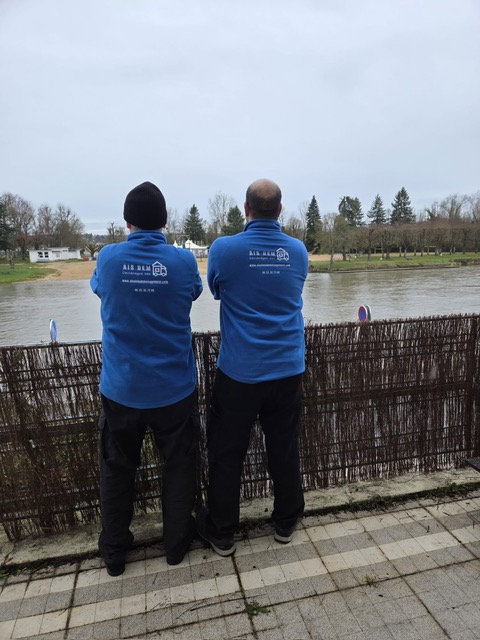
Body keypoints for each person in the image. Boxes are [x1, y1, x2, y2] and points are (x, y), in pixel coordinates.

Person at [91, 181, 203, 576]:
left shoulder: (108, 258)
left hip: (121, 389)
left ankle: (114, 553)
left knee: (117, 469)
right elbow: (194, 292)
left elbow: (98, 288)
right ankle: (175, 547)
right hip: (174, 389)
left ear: (127, 222)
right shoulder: (183, 262)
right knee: (179, 466)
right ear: (165, 222)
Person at [197, 178, 308, 556]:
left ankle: (222, 532)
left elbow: (216, 290)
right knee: (284, 446)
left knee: (227, 452)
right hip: (288, 368)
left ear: (246, 209)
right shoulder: (298, 251)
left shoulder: (224, 249)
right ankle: (286, 522)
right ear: (280, 210)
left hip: (240, 372)